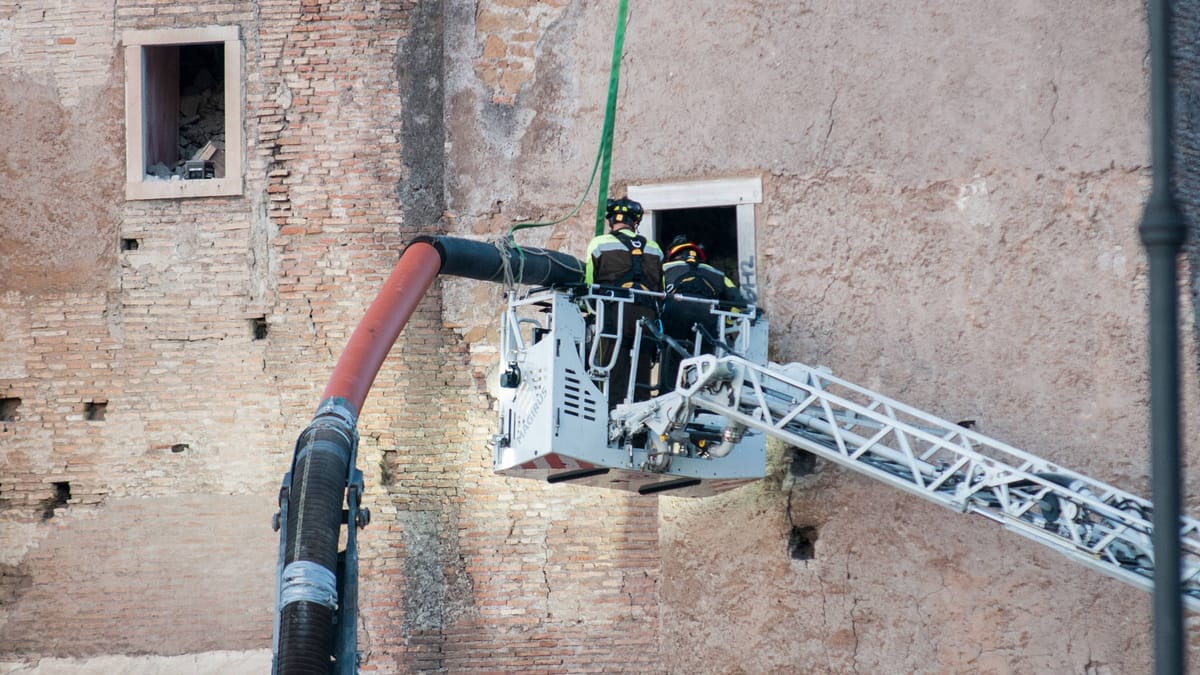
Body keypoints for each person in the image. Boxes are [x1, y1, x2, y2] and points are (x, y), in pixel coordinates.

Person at [584, 197, 664, 407]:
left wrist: (587, 310)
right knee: (641, 379)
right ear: (635, 223)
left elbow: (589, 284)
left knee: (612, 375)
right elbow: (660, 290)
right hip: (646, 318)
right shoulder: (654, 248)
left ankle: (611, 417)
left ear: (611, 221)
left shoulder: (599, 243)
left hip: (613, 317)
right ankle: (640, 427)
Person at [659, 235, 747, 387]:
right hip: (708, 317)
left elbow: (655, 293)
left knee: (671, 355)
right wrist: (726, 322)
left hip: (675, 312)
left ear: (673, 255)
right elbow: (738, 302)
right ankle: (703, 397)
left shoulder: (665, 269)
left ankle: (668, 393)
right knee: (705, 361)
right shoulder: (717, 274)